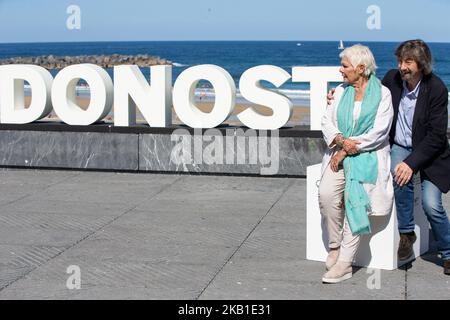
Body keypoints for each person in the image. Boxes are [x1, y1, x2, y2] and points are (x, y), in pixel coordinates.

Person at [328, 40, 450, 275]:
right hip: (400, 146)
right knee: (398, 175)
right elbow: (366, 90)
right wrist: (336, 93)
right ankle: (406, 234)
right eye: (400, 61)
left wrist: (412, 163)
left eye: (408, 62)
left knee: (431, 204)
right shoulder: (393, 79)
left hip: (431, 153)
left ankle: (447, 252)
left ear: (421, 65)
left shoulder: (436, 88)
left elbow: (436, 137)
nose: (402, 67)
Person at [319, 44, 394, 283]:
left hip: (367, 156)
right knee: (327, 194)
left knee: (356, 201)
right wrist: (341, 143)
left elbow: (379, 132)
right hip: (341, 152)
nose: (340, 70)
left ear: (361, 68)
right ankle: (335, 245)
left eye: (344, 66)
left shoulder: (382, 94)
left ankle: (345, 263)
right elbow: (326, 121)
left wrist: (350, 148)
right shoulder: (340, 92)